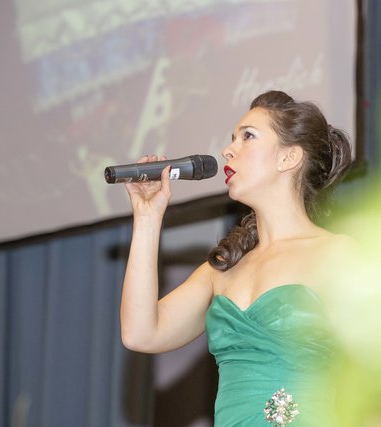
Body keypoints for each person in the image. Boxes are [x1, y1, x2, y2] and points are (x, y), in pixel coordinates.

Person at [120, 90, 353, 426]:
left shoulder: (337, 254)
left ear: (288, 158)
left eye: (248, 137)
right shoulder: (220, 271)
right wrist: (146, 217)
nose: (227, 150)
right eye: (232, 139)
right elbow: (140, 333)